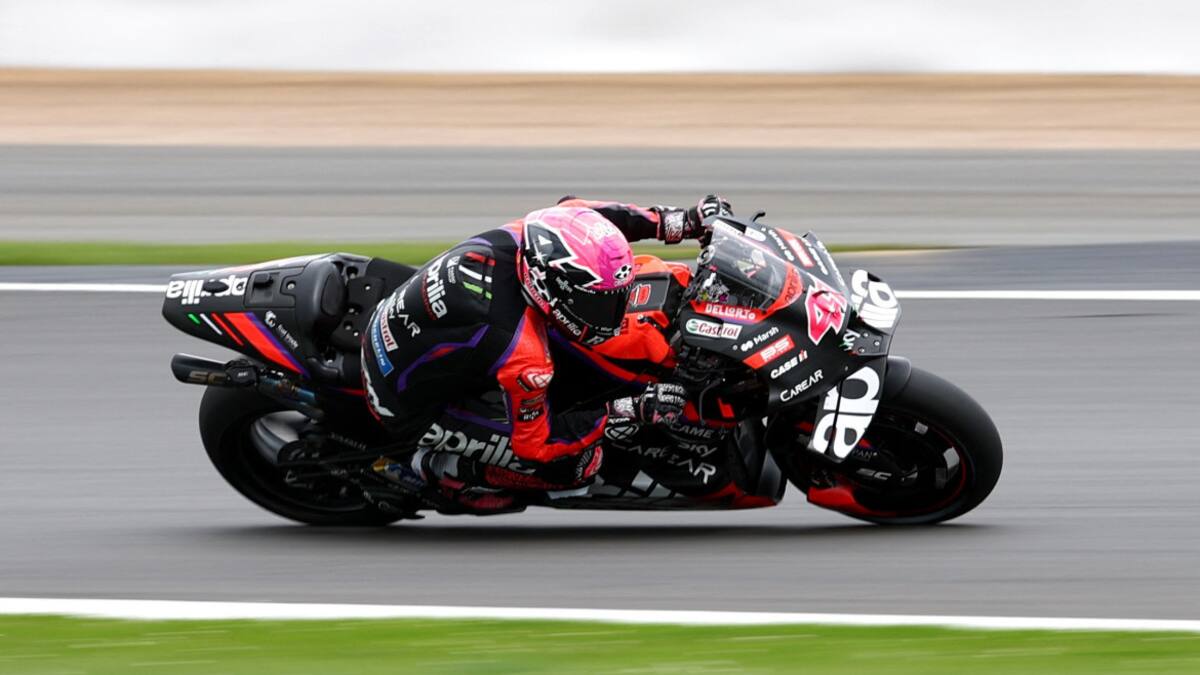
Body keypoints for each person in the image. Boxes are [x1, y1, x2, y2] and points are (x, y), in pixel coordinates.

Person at [361, 195, 732, 508]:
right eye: (599, 304)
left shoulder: (536, 233)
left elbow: (586, 213)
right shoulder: (523, 352)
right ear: (547, 286)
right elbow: (537, 442)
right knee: (577, 467)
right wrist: (627, 409)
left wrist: (680, 222)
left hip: (411, 327)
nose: (614, 313)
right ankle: (437, 469)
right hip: (405, 403)